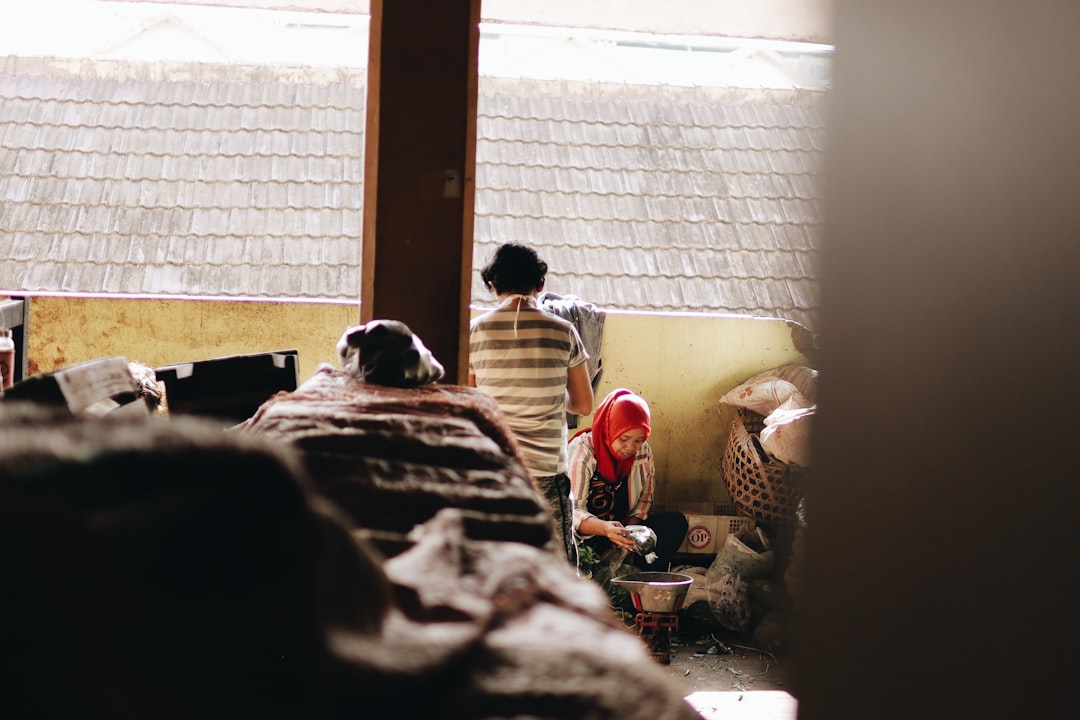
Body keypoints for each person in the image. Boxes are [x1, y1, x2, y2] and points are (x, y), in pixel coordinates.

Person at [468, 243, 594, 564]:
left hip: (494, 469)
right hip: (546, 471)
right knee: (558, 570)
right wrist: (551, 393)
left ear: (493, 285)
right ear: (540, 285)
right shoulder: (563, 331)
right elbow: (582, 405)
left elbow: (470, 404)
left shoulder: (476, 331)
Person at [568, 388, 688, 570]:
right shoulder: (583, 450)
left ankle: (635, 573)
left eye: (639, 439)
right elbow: (572, 511)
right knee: (572, 556)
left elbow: (644, 501)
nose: (631, 447)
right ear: (609, 429)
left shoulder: (643, 452)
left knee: (675, 523)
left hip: (619, 535)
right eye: (624, 438)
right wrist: (606, 530)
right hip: (584, 538)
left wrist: (628, 533)